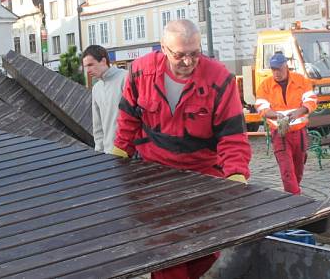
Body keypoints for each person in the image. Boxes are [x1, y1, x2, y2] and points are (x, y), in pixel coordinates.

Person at [112, 19, 251, 279]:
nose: (188, 62)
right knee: (169, 254)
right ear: (163, 49)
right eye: (180, 55)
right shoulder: (140, 72)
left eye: (195, 54)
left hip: (203, 178)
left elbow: (232, 135)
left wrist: (236, 175)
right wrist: (120, 153)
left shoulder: (220, 79)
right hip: (156, 179)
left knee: (208, 247)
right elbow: (128, 118)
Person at [255, 52, 317, 194]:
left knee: (298, 169)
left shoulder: (301, 81)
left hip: (299, 133)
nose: (276, 73)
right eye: (273, 69)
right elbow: (261, 107)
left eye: (279, 69)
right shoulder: (265, 85)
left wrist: (299, 112)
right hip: (280, 135)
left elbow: (311, 100)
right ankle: (295, 200)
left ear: (286, 66)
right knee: (287, 171)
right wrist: (276, 115)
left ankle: (293, 195)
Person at [82, 45, 127, 154]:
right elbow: (97, 125)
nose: (88, 70)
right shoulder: (96, 88)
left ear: (103, 61)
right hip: (108, 152)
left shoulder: (126, 78)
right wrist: (99, 152)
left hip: (130, 152)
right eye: (86, 67)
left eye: (90, 65)